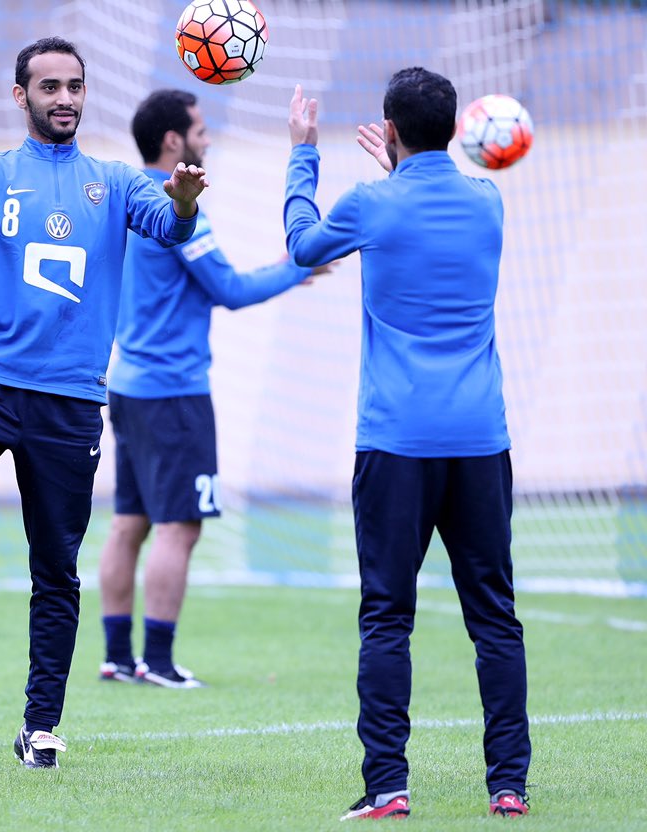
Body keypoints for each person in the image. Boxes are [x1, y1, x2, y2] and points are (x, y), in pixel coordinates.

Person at [0, 37, 208, 770]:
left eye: (75, 86)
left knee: (56, 568)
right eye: (50, 87)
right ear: (21, 96)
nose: (65, 98)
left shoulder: (117, 181)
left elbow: (169, 225)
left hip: (70, 402)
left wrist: (184, 206)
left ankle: (41, 725)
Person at [283, 68, 531, 819]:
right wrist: (402, 165)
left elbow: (301, 246)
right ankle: (508, 784)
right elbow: (428, 203)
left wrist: (303, 152)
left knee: (388, 615)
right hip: (480, 439)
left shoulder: (371, 204)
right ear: (456, 130)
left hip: (395, 443)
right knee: (494, 615)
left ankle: (388, 784)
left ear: (388, 131)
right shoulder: (487, 200)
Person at [97, 89, 328, 689]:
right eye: (198, 128)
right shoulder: (176, 206)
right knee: (180, 527)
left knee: (130, 522)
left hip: (126, 385)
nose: (206, 136)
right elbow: (229, 289)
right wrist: (297, 267)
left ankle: (119, 658)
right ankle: (161, 662)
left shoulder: (125, 201)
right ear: (173, 141)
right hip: (172, 392)